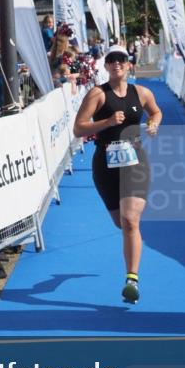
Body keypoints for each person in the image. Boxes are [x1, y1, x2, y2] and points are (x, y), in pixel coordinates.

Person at [72, 45, 161, 304]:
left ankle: (132, 280)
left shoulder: (141, 93)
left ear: (128, 64)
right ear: (106, 65)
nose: (117, 63)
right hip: (105, 164)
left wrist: (153, 124)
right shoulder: (97, 94)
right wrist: (107, 122)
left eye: (121, 59)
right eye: (111, 60)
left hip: (135, 161)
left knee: (130, 220)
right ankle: (134, 241)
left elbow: (156, 111)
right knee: (121, 224)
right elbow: (78, 128)